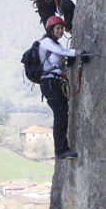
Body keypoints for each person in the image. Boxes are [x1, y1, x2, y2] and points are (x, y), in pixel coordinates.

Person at [39, 15, 81, 160]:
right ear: (51, 29)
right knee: (60, 115)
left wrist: (73, 59)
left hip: (55, 82)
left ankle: (62, 149)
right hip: (50, 83)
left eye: (62, 28)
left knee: (63, 115)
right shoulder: (46, 42)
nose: (61, 31)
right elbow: (63, 53)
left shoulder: (56, 44)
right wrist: (78, 53)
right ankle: (61, 150)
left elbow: (62, 61)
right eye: (58, 28)